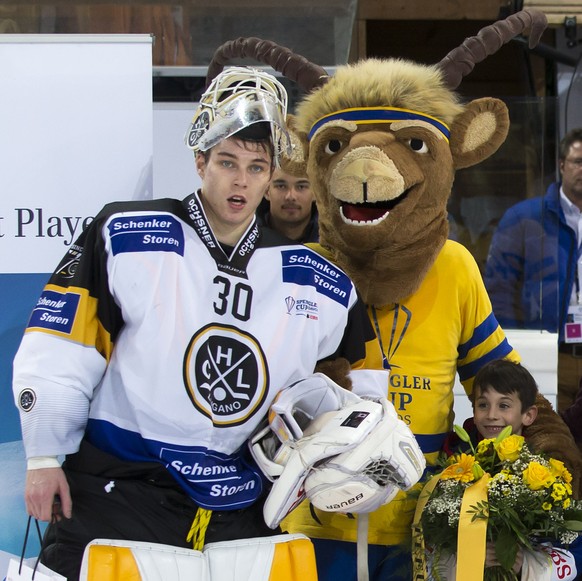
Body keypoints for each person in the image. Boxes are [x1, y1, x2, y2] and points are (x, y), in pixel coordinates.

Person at [12, 66, 386, 581]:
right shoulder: (128, 235)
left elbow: (361, 384)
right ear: (199, 161)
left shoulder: (314, 280)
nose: (240, 180)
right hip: (122, 491)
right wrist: (44, 455)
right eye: (227, 162)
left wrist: (357, 454)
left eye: (257, 168)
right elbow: (61, 345)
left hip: (243, 504)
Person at [436, 359, 581, 579]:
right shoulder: (455, 461)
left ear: (529, 415)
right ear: (473, 410)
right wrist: (470, 554)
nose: (492, 414)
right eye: (483, 404)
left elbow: (574, 547)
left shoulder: (550, 467)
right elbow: (432, 536)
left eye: (504, 405)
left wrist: (526, 564)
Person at [485, 128, 582, 413]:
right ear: (562, 165)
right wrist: (514, 355)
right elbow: (500, 290)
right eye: (578, 161)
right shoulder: (525, 218)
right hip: (552, 352)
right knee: (553, 443)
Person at [256, 167, 318, 243]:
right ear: (266, 191)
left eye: (301, 187)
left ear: (316, 193)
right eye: (281, 186)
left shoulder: (334, 242)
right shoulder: (242, 235)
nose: (291, 197)